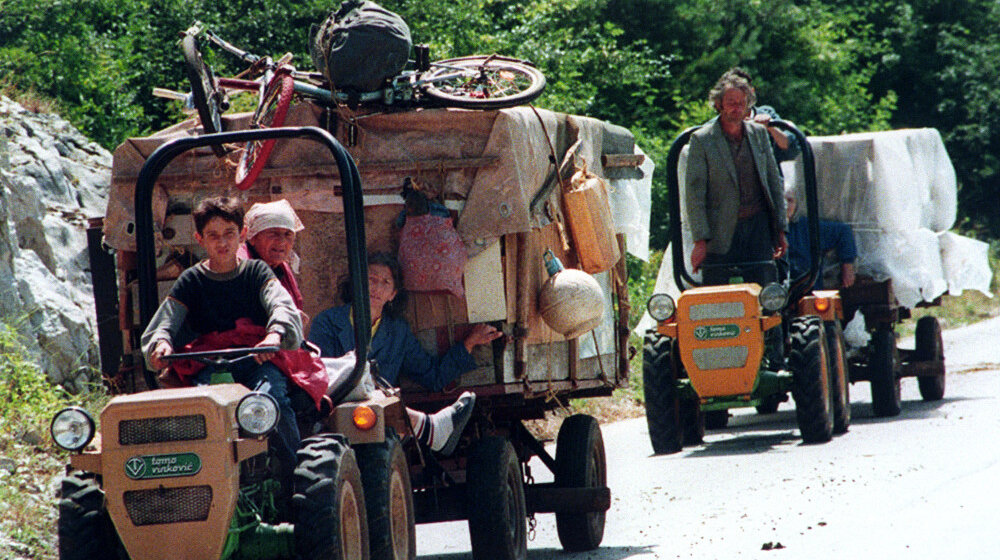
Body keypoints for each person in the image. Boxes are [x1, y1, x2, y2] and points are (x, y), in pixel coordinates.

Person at [141, 196, 313, 495]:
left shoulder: (257, 272)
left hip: (258, 361)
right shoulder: (191, 280)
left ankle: (295, 482)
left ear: (242, 235)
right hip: (210, 366)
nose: (222, 243)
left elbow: (280, 306)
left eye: (229, 234)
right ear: (199, 239)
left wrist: (274, 334)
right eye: (213, 236)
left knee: (272, 403)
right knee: (200, 415)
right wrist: (161, 343)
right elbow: (166, 321)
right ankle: (198, 487)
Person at [309, 251, 503, 455]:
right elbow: (322, 376)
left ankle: (428, 427)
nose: (376, 287)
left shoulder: (398, 332)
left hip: (377, 425)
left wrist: (469, 343)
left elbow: (432, 376)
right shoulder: (328, 322)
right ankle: (427, 427)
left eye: (385, 282)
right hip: (337, 413)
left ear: (393, 294)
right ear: (357, 283)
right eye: (371, 279)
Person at [686, 69, 788, 285]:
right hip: (720, 233)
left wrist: (780, 229)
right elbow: (695, 195)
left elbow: (773, 183)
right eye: (731, 101)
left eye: (741, 102)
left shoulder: (759, 134)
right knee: (718, 298)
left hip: (758, 228)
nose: (736, 107)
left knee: (767, 292)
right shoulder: (702, 140)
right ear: (719, 104)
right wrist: (700, 241)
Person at [239, 199, 306, 313]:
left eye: (288, 234)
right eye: (273, 233)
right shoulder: (241, 268)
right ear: (253, 237)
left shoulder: (281, 268)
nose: (282, 241)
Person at [784, 188, 857, 289]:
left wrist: (847, 265)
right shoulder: (762, 230)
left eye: (790, 201)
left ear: (796, 204)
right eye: (781, 201)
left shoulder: (806, 227)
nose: (786, 206)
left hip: (807, 293)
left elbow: (843, 231)